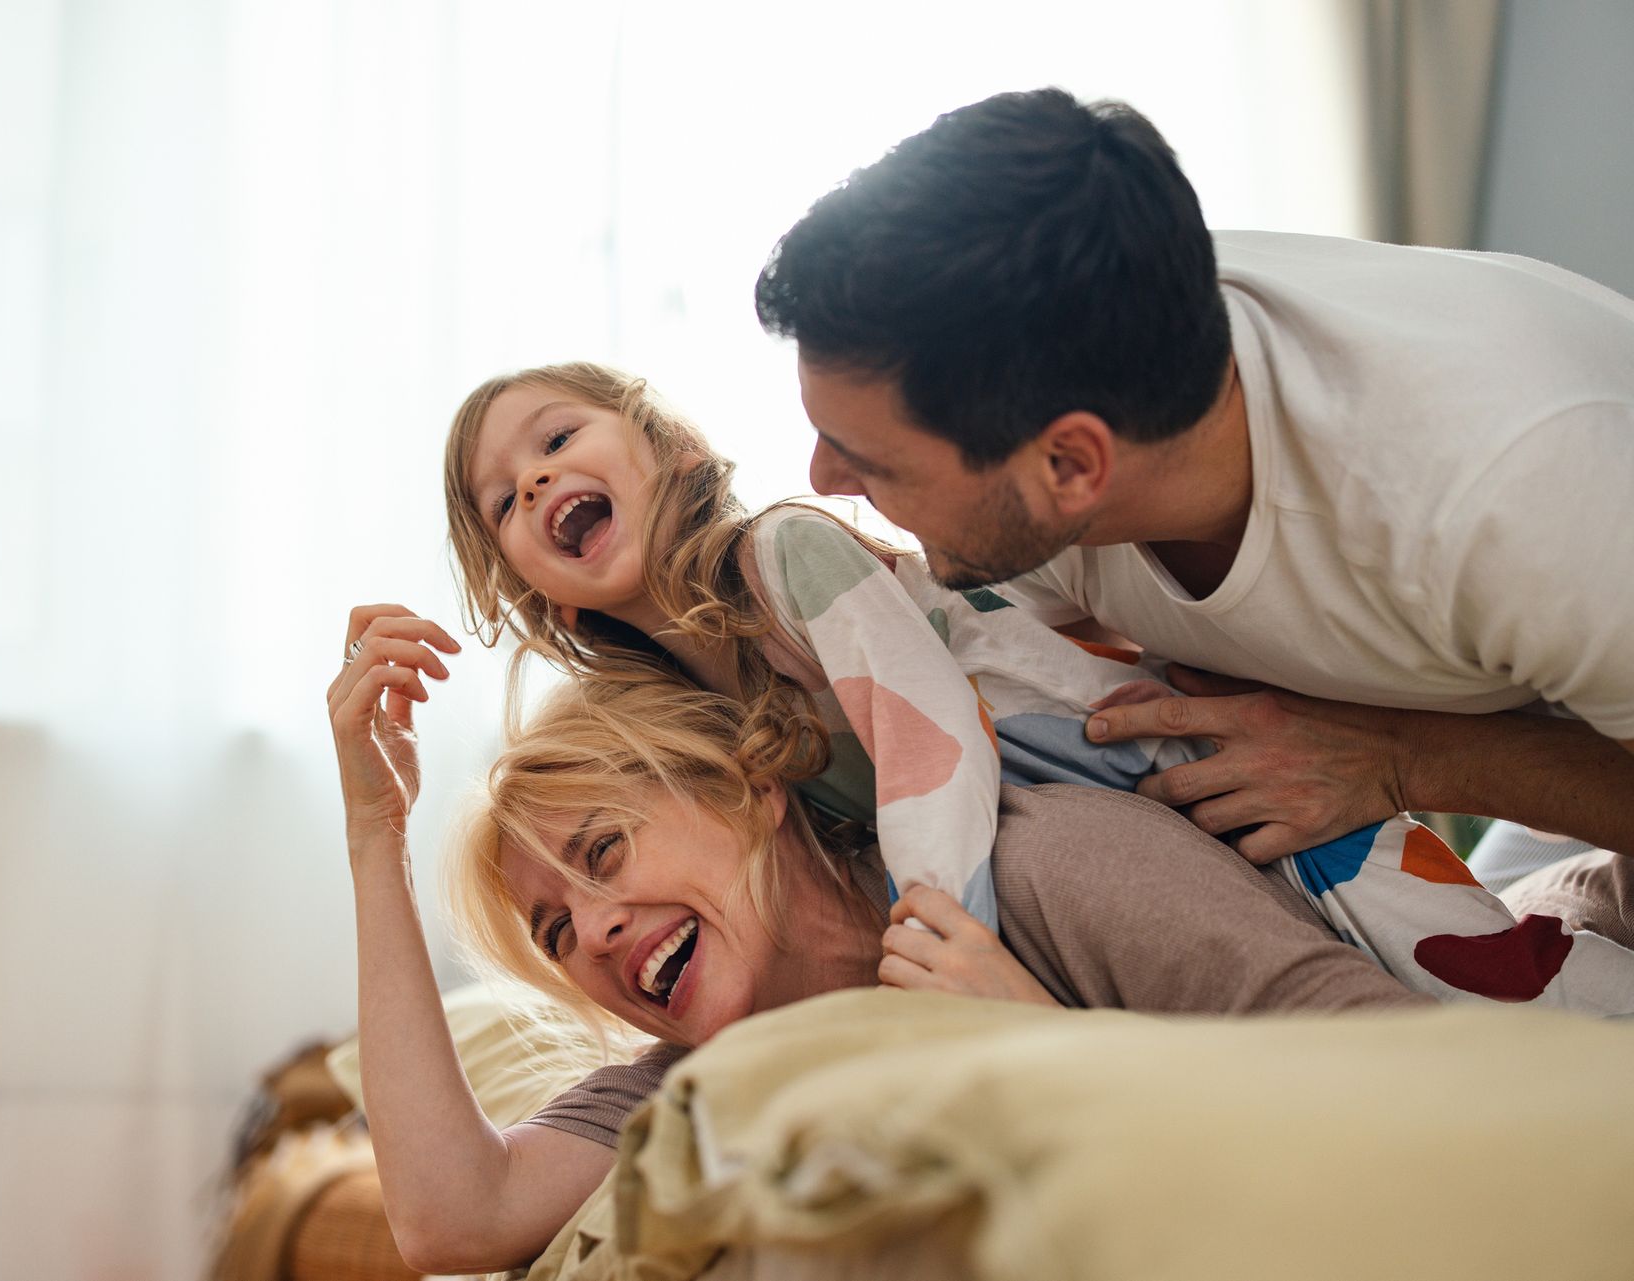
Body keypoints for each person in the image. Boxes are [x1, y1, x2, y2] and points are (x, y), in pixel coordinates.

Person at [444, 361, 1634, 1008]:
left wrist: (935, 942)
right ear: (544, 596)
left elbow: (930, 745)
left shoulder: (784, 557)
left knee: (1452, 960)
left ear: (674, 450)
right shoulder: (695, 703)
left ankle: (1586, 1029)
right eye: (504, 500)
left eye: (557, 440)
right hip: (1092, 799)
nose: (538, 482)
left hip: (1160, 742)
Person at [325, 608, 1429, 1274]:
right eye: (556, 931)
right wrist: (376, 838)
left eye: (604, 853)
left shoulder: (1044, 866)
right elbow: (447, 1218)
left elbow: (1404, 1068)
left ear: (749, 787)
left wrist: (1053, 1054)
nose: (598, 930)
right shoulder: (688, 1091)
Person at [752, 86, 1634, 881]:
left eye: (872, 460)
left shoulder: (1515, 494)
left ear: (1071, 467)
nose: (822, 480)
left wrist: (1404, 756)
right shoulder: (1083, 352)